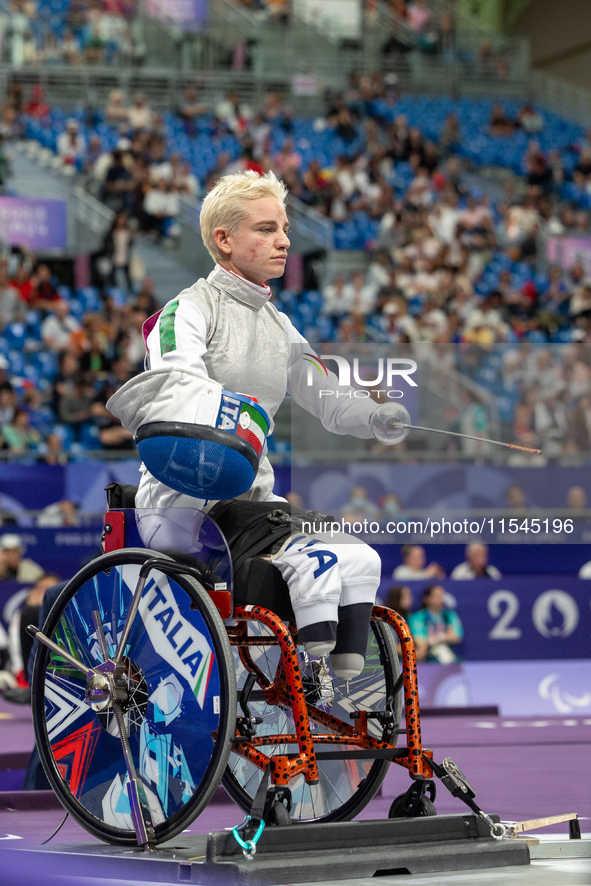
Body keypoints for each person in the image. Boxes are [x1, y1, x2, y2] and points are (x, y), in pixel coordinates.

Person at [108, 170, 385, 681]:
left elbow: (325, 392)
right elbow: (176, 384)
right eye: (265, 229)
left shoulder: (280, 327)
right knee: (309, 561)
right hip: (182, 505)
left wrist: (375, 414)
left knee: (357, 556)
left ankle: (329, 678)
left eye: (283, 229)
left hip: (252, 505)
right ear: (224, 239)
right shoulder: (186, 311)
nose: (283, 240)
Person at [408, 584, 463, 663]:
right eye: (436, 596)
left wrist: (440, 637)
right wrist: (440, 638)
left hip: (449, 656)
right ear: (427, 599)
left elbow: (457, 636)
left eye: (441, 595)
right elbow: (420, 641)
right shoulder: (418, 617)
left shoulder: (450, 615)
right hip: (428, 657)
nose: (440, 599)